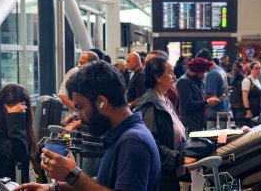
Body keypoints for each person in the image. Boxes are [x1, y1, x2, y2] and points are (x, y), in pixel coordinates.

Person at [15, 61, 161, 191]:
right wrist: (54, 187)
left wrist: (72, 175)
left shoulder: (132, 142)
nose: (79, 116)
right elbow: (105, 184)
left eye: (80, 107)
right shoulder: (123, 136)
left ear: (101, 102)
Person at [134, 57, 197, 191]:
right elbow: (150, 143)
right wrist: (179, 159)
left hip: (170, 172)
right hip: (161, 176)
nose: (174, 77)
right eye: (170, 72)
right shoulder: (150, 104)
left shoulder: (164, 99)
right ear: (158, 77)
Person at [0, 84, 38, 183]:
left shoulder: (19, 122)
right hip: (5, 185)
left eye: (22, 109)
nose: (21, 112)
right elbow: (19, 154)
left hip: (22, 183)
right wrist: (15, 116)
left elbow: (28, 148)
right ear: (1, 106)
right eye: (15, 109)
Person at [176, 58, 220, 132]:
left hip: (196, 123)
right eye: (202, 72)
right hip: (190, 124)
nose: (203, 75)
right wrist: (207, 102)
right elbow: (188, 105)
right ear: (195, 72)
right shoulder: (184, 82)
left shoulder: (195, 81)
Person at [198, 48, 232, 129]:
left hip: (215, 115)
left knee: (213, 139)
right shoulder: (221, 70)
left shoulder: (212, 74)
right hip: (224, 110)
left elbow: (211, 99)